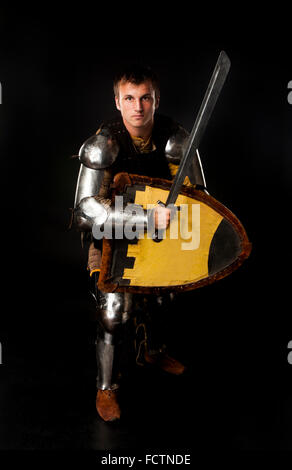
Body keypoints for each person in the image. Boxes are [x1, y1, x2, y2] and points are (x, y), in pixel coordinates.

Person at [73, 64, 207, 422]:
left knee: (164, 297)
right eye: (129, 98)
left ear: (156, 100)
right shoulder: (104, 146)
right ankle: (105, 387)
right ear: (117, 102)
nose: (138, 107)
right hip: (112, 240)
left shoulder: (175, 139)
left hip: (162, 239)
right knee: (115, 313)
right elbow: (85, 211)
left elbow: (200, 198)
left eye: (145, 98)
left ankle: (152, 350)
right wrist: (144, 219)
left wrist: (178, 215)